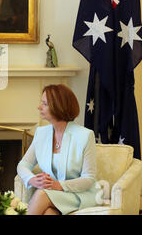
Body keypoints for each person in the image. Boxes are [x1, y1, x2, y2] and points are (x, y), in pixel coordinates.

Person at [17, 84, 98, 215]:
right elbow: (23, 164)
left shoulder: (85, 135)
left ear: (58, 106)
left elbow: (89, 178)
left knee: (42, 194)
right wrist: (32, 180)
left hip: (79, 195)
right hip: (53, 195)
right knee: (49, 213)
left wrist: (59, 185)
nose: (39, 107)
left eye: (44, 104)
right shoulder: (41, 133)